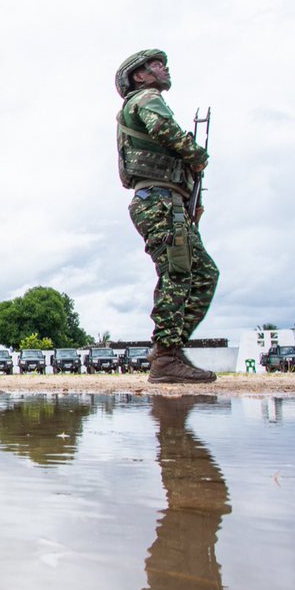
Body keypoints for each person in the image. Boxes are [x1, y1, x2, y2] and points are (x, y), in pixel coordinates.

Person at [116, 49, 218, 384]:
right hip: (158, 200)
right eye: (156, 65)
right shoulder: (146, 99)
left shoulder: (144, 99)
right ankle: (166, 356)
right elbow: (163, 130)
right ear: (139, 76)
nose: (165, 68)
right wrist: (196, 155)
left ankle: (167, 350)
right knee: (178, 274)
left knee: (202, 274)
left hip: (166, 200)